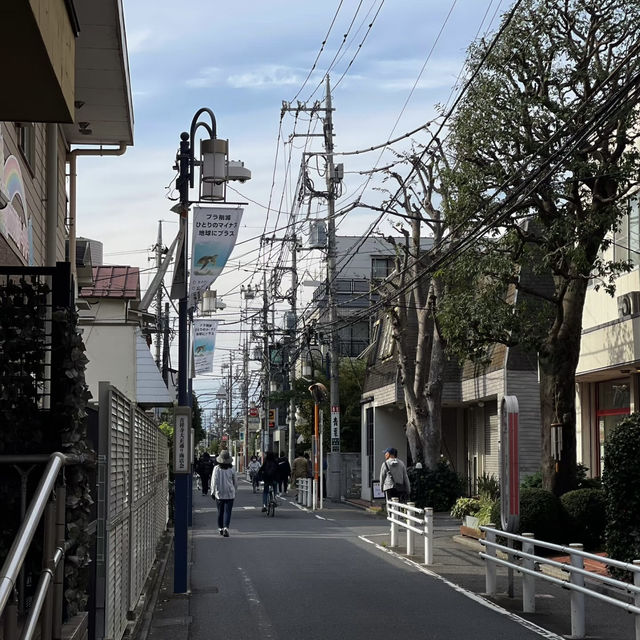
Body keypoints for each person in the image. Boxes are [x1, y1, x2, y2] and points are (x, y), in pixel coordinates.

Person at [211, 450, 237, 537]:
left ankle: (220, 528)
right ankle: (226, 527)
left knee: (220, 512)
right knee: (228, 512)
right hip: (230, 493)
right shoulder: (232, 469)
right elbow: (235, 481)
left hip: (219, 493)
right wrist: (235, 490)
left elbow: (213, 481)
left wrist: (212, 492)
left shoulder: (216, 469)